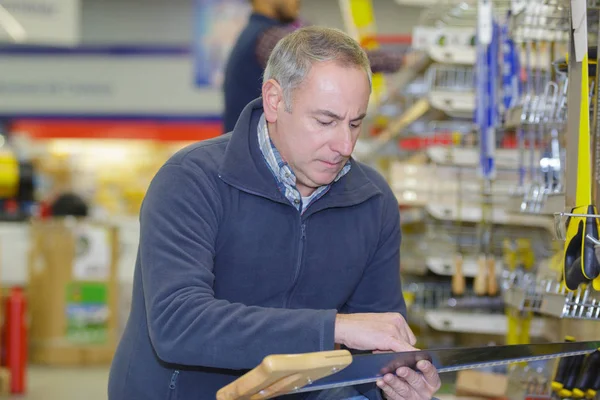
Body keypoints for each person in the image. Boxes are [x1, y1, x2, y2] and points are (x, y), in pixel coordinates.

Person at [108, 26, 440, 400]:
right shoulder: (192, 180)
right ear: (274, 101)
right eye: (326, 121)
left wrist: (392, 383)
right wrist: (333, 328)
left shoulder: (372, 202)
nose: (344, 145)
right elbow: (179, 324)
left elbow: (373, 346)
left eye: (355, 123)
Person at [222, 0, 404, 133]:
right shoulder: (268, 37)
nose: (297, 3)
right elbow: (334, 59)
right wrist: (403, 61)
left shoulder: (252, 34)